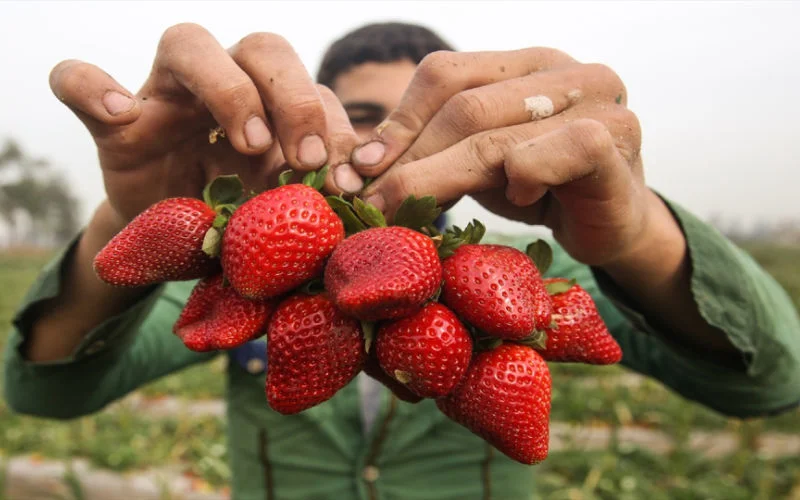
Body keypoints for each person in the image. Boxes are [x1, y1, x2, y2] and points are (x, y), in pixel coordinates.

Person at [4, 21, 800, 500]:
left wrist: (637, 239)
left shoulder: (526, 287)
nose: (384, 146)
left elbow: (769, 382)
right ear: (308, 126)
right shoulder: (257, 270)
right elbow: (45, 389)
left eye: (418, 122)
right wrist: (132, 218)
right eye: (360, 118)